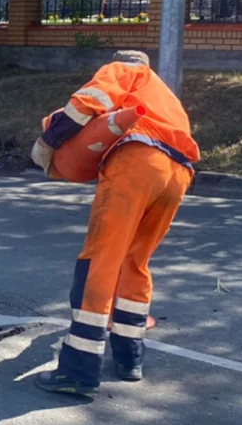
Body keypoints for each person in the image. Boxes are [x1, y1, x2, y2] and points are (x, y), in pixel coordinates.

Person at [31, 50, 200, 395]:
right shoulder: (164, 95)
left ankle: (79, 368)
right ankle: (129, 356)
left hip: (137, 161)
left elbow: (86, 103)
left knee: (101, 260)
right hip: (179, 174)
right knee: (134, 261)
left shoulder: (124, 69)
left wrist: (48, 142)